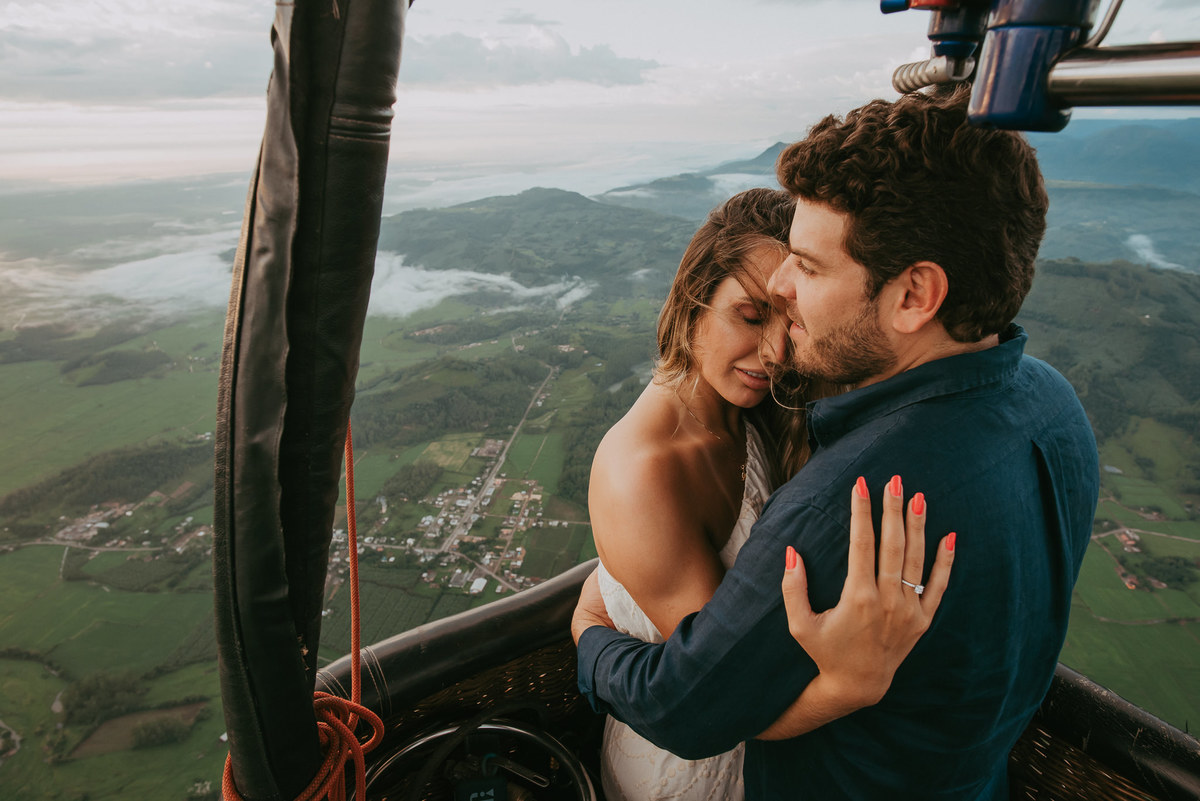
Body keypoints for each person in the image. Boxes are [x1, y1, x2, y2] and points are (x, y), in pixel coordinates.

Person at [572, 86, 1100, 800]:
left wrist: (591, 637)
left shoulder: (853, 504)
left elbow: (685, 706)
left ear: (914, 294)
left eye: (810, 267)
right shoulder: (1053, 406)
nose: (786, 288)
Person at [590, 188, 953, 801]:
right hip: (685, 772)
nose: (775, 352)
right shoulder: (643, 470)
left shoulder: (756, 416)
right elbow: (721, 699)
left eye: (791, 320)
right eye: (751, 316)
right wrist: (851, 684)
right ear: (692, 300)